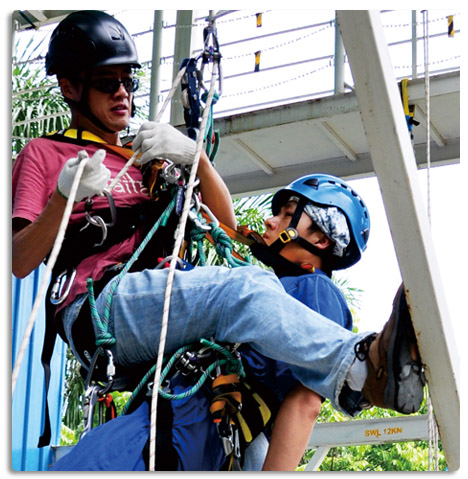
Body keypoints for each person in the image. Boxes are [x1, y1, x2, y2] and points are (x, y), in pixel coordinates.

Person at [12, 11, 425, 471]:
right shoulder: (46, 154)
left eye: (128, 81)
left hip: (158, 310)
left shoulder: (143, 158)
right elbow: (19, 259)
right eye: (108, 83)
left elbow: (224, 227)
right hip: (100, 307)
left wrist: (197, 161)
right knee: (243, 290)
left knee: (241, 426)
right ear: (70, 87)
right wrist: (62, 199)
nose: (123, 93)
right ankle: (358, 370)